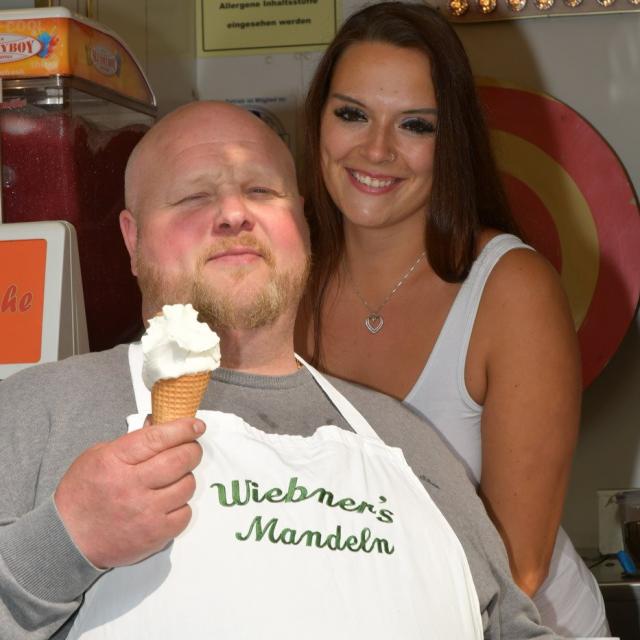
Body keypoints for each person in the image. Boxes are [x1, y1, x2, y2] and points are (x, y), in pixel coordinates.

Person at [0, 100, 559, 640]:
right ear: (132, 238)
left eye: (262, 191)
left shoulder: (413, 446)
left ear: (303, 226)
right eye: (194, 196)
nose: (233, 213)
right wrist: (64, 543)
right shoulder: (37, 413)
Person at [295, 2, 609, 637]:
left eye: (415, 125)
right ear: (319, 122)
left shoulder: (511, 288)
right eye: (352, 114)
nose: (376, 149)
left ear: (452, 141)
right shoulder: (287, 279)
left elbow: (517, 569)